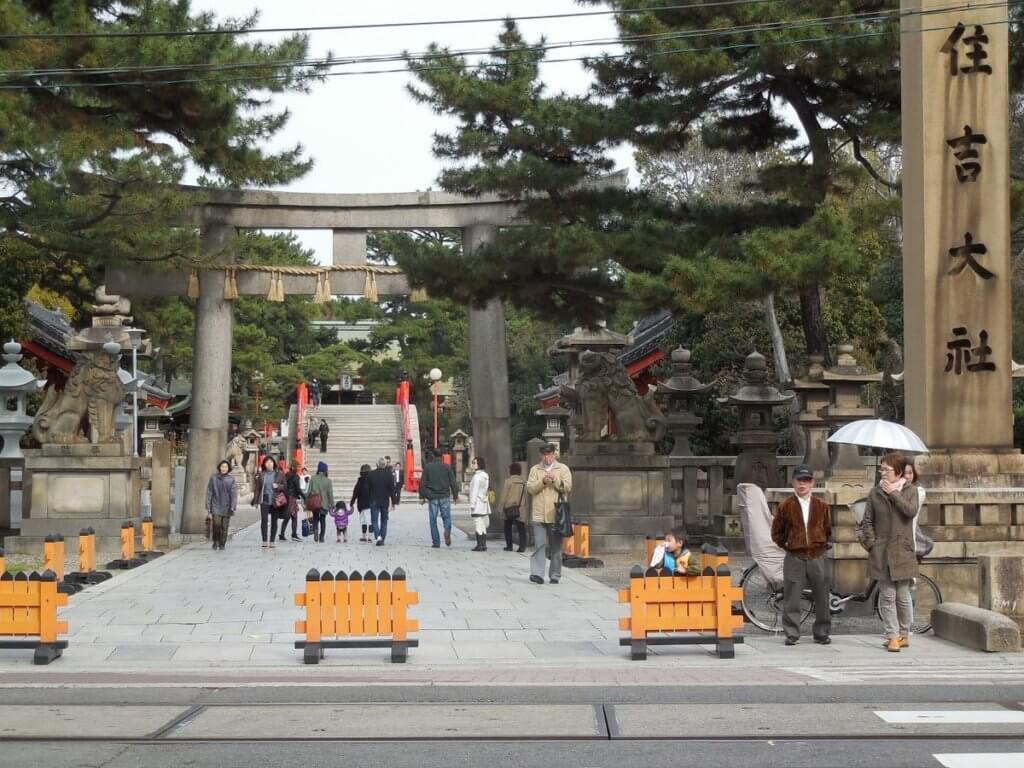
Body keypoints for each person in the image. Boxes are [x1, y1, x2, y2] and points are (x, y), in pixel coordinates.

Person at [858, 451, 920, 652]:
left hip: (902, 550)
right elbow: (867, 521)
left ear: (899, 471)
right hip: (881, 551)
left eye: (886, 469)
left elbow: (910, 511)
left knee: (902, 595)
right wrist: (871, 544)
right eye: (881, 469)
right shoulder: (875, 493)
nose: (882, 472)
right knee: (887, 595)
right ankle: (892, 635)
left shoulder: (911, 490)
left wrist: (894, 493)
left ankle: (904, 633)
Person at [770, 464, 832, 646]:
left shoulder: (821, 505)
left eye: (806, 481)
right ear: (793, 482)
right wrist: (788, 545)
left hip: (817, 555)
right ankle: (791, 633)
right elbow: (776, 532)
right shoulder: (785, 505)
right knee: (792, 597)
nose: (802, 484)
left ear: (812, 483)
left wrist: (821, 543)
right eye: (799, 480)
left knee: (822, 595)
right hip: (794, 556)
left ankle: (822, 632)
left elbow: (828, 529)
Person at [526, 443, 573, 585]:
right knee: (539, 545)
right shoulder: (535, 469)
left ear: (554, 454)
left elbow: (568, 487)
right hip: (539, 513)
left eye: (550, 454)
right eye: (545, 455)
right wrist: (543, 481)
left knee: (556, 547)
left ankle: (555, 574)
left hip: (556, 514)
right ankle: (537, 574)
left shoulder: (563, 469)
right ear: (541, 455)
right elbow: (530, 489)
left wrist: (555, 480)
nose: (547, 457)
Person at [419, 449, 459, 548]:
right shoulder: (447, 467)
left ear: (433, 455)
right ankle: (447, 531)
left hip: (432, 496)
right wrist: (455, 495)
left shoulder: (428, 467)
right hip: (444, 495)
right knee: (446, 517)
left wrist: (422, 496)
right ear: (442, 456)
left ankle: (436, 542)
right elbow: (453, 482)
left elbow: (423, 483)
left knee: (433, 519)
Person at [252, 456, 286, 549]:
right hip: (265, 500)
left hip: (276, 501)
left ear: (274, 464)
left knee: (274, 521)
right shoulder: (262, 475)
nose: (269, 464)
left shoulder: (280, 474)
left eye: (271, 462)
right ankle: (264, 540)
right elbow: (257, 489)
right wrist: (256, 501)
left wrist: (278, 486)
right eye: (267, 462)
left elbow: (285, 487)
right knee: (264, 520)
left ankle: (272, 541)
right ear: (264, 464)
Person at [205, 459, 237, 551]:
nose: (224, 468)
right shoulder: (214, 478)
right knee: (216, 525)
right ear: (219, 467)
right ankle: (216, 541)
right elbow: (209, 492)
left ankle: (222, 543)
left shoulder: (231, 479)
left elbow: (233, 494)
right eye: (222, 466)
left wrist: (233, 505)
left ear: (228, 468)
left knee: (224, 527)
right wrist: (208, 506)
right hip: (215, 505)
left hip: (227, 506)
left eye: (226, 467)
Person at [367, 457, 396, 546]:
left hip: (374, 500)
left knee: (374, 520)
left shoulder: (371, 474)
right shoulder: (389, 474)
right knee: (384, 520)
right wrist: (393, 502)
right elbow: (392, 489)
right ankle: (382, 538)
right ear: (385, 465)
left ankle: (378, 536)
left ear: (377, 464)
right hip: (384, 500)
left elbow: (368, 488)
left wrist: (368, 499)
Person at [501, 462, 528, 552]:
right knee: (521, 528)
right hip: (520, 507)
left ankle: (509, 546)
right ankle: (522, 547)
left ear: (511, 471)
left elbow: (504, 495)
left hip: (509, 507)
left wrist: (500, 507)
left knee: (507, 527)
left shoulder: (508, 481)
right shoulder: (524, 482)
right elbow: (526, 496)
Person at [306, 461, 335, 543]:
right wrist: (332, 504)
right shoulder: (328, 481)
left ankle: (315, 530)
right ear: (326, 470)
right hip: (324, 504)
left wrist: (306, 501)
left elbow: (309, 491)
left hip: (314, 503)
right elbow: (330, 494)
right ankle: (321, 536)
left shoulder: (313, 478)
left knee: (315, 518)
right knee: (323, 520)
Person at [468, 456, 491, 552]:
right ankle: (483, 544)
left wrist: (472, 504)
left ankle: (479, 545)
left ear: (479, 464)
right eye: (473, 462)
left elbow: (474, 491)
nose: (472, 464)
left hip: (477, 502)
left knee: (478, 523)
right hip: (484, 501)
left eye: (474, 463)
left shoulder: (477, 477)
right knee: (482, 524)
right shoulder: (485, 476)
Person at [280, 461, 304, 542]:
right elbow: (298, 489)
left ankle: (282, 534)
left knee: (287, 517)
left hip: (287, 497)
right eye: (298, 466)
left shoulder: (286, 475)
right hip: (292, 498)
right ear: (294, 467)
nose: (299, 468)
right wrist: (304, 496)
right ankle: (293, 535)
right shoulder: (296, 476)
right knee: (294, 517)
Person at [350, 464, 373, 542]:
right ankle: (370, 536)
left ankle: (364, 535)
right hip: (371, 504)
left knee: (363, 520)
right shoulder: (372, 481)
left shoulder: (359, 482)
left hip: (362, 505)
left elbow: (355, 493)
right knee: (370, 521)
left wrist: (351, 503)